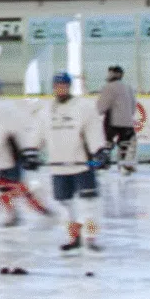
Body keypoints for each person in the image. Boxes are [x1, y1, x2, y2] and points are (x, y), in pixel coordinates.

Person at [45, 72, 109, 252]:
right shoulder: (46, 110)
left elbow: (93, 131)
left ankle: (91, 237)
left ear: (69, 86)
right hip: (58, 166)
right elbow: (37, 133)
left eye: (64, 85)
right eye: (57, 85)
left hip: (82, 165)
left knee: (89, 203)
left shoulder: (83, 107)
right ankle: (74, 237)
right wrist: (30, 151)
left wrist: (99, 150)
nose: (60, 88)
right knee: (66, 205)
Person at [0, 76, 48, 226]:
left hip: (11, 154)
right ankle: (19, 213)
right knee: (3, 185)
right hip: (5, 154)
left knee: (13, 185)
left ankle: (38, 209)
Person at [96, 65, 139, 174]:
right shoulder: (128, 87)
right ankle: (125, 165)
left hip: (112, 122)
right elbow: (133, 106)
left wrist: (99, 111)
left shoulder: (108, 87)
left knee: (108, 143)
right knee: (125, 143)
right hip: (127, 122)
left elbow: (101, 107)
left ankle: (103, 164)